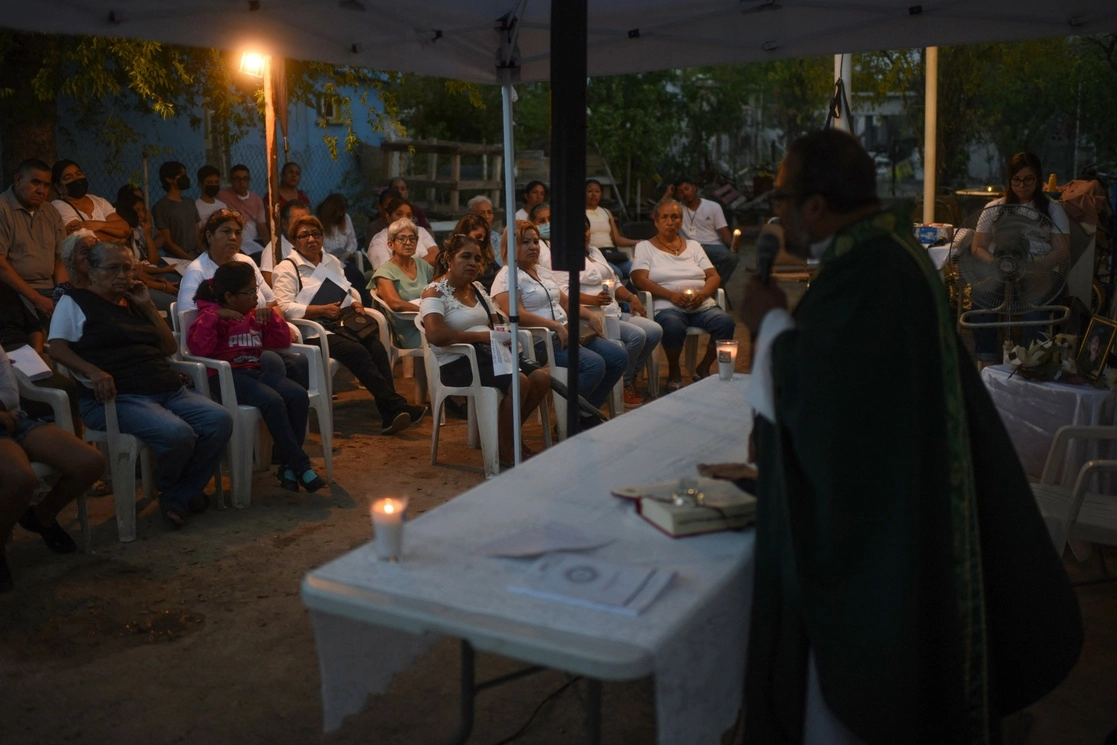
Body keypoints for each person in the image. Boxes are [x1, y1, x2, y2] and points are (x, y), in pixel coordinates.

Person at [739, 129, 1082, 744]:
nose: (777, 215)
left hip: (881, 538)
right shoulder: (888, 255)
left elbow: (821, 410)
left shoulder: (866, 277)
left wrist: (769, 327)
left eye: (782, 199)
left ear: (815, 204)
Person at [48, 242, 233, 527]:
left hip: (168, 389)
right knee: (177, 434)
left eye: (127, 268)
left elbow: (169, 347)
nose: (122, 275)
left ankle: (177, 493)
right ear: (92, 271)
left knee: (219, 420)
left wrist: (147, 306)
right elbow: (57, 348)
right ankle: (180, 492)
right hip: (118, 398)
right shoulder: (75, 301)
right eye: (113, 268)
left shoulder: (134, 301)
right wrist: (93, 371)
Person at [272, 214, 427, 435]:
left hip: (341, 323)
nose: (311, 239)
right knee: (357, 351)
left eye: (316, 234)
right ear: (294, 241)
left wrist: (354, 302)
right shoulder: (287, 268)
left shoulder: (331, 261)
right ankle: (395, 407)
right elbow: (284, 307)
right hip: (312, 330)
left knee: (376, 348)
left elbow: (344, 289)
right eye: (304, 235)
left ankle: (391, 412)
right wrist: (319, 310)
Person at [187, 262, 325, 493]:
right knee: (272, 400)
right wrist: (214, 317)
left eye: (256, 290)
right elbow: (200, 349)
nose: (256, 297)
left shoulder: (252, 316)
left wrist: (272, 319)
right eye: (250, 292)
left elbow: (282, 342)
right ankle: (300, 466)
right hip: (225, 378)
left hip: (253, 372)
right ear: (229, 296)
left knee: (298, 395)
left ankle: (288, 466)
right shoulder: (208, 317)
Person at [420, 234, 551, 468]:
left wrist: (503, 334)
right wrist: (481, 337)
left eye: (477, 259)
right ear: (449, 258)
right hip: (459, 361)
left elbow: (495, 322)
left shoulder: (477, 288)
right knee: (519, 381)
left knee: (541, 378)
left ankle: (505, 436)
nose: (472, 263)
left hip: (489, 354)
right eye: (466, 257)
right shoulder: (435, 292)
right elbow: (435, 335)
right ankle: (508, 447)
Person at [491, 220, 625, 428]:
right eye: (525, 242)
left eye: (536, 241)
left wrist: (589, 316)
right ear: (510, 245)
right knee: (594, 365)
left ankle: (583, 413)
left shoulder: (542, 272)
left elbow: (565, 302)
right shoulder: (507, 276)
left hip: (567, 333)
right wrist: (554, 326)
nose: (533, 247)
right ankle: (569, 419)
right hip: (539, 342)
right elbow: (516, 314)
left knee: (618, 357)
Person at [0, 346, 105, 592]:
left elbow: (10, 394)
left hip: (14, 418)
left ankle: (41, 515)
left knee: (90, 463)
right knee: (19, 479)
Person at [177, 210, 307, 388]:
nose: (233, 237)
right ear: (209, 236)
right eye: (226, 231)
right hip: (228, 354)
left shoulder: (246, 262)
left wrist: (277, 327)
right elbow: (188, 325)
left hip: (259, 341)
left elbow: (272, 303)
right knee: (273, 362)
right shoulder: (197, 271)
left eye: (238, 232)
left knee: (302, 362)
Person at [970, 151, 1072, 362]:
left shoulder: (1053, 209)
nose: (1022, 185)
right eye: (1016, 180)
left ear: (1038, 180)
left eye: (1028, 180)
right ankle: (986, 362)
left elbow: (1062, 250)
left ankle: (1028, 364)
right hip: (1001, 273)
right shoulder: (994, 209)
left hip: (1039, 275)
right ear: (1009, 180)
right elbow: (977, 247)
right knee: (982, 298)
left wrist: (1035, 268)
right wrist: (996, 263)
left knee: (1036, 312)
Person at [630, 198, 735, 392]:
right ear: (656, 221)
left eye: (675, 217)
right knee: (673, 326)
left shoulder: (694, 246)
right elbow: (638, 279)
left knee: (726, 323)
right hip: (667, 306)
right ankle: (674, 370)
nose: (670, 222)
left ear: (681, 221)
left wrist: (702, 294)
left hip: (701, 304)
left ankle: (704, 367)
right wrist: (671, 295)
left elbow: (713, 276)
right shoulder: (645, 247)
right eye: (665, 217)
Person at [556, 217, 661, 408]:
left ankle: (627, 376)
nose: (583, 234)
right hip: (590, 316)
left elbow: (615, 281)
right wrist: (593, 300)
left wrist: (630, 297)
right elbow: (563, 293)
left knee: (654, 330)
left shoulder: (595, 252)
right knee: (637, 336)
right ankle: (623, 384)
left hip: (613, 311)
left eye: (586, 229)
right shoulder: (563, 258)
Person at [0, 158, 68, 322]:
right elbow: (1, 265)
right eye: (35, 182)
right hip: (13, 292)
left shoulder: (50, 211)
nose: (41, 190)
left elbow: (60, 260)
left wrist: (61, 296)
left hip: (50, 289)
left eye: (46, 185)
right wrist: (37, 299)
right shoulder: (3, 209)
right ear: (18, 179)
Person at [371, 217, 433, 349]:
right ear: (390, 244)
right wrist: (426, 310)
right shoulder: (384, 272)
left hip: (430, 323)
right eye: (401, 238)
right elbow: (395, 304)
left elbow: (438, 288)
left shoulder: (422, 265)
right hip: (411, 330)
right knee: (449, 338)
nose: (408, 242)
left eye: (412, 238)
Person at [672, 176, 737, 289]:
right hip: (690, 247)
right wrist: (667, 194)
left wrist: (732, 245)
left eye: (687, 189)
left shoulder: (713, 206)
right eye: (680, 192)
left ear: (694, 188)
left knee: (732, 258)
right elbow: (654, 216)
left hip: (713, 245)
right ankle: (710, 288)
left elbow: (723, 230)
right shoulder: (676, 209)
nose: (685, 193)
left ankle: (715, 287)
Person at [49, 159, 131, 242]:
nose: (76, 179)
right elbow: (80, 237)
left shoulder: (99, 201)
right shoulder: (59, 206)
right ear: (58, 187)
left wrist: (98, 225)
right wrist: (116, 238)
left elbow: (124, 229)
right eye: (68, 178)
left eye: (79, 174)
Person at [317, 193, 370, 305]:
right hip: (326, 263)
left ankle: (365, 305)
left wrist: (347, 254)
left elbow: (352, 241)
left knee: (357, 276)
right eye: (339, 212)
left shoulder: (346, 218)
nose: (341, 215)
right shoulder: (319, 222)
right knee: (347, 277)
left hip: (343, 260)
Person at [366, 197, 438, 270]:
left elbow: (435, 255)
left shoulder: (420, 231)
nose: (404, 218)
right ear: (388, 216)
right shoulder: (378, 240)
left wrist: (413, 266)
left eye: (409, 215)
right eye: (399, 214)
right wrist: (412, 269)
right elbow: (385, 270)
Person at [585, 178, 638, 277]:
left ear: (601, 194)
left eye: (597, 191)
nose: (594, 194)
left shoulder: (606, 212)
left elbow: (617, 239)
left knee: (637, 272)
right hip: (596, 255)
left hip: (612, 254)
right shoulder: (581, 213)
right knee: (617, 273)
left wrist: (637, 242)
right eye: (590, 191)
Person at [151, 161, 201, 260]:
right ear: (169, 179)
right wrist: (189, 259)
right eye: (180, 175)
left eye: (184, 174)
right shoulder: (161, 206)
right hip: (174, 259)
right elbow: (167, 241)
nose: (184, 177)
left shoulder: (190, 202)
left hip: (194, 255)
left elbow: (197, 234)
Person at [218, 164, 270, 250]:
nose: (241, 182)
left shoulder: (256, 199)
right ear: (231, 180)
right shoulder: (222, 196)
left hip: (253, 241)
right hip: (231, 241)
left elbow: (262, 226)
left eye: (245, 179)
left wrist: (269, 247)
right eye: (237, 179)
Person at [260, 199, 311, 285]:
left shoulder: (314, 243)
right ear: (284, 224)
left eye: (307, 220)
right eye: (298, 221)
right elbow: (268, 284)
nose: (303, 225)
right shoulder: (274, 248)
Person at [448, 212, 499, 290]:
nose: (481, 241)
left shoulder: (486, 254)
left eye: (484, 239)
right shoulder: (452, 255)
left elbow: (499, 272)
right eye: (478, 237)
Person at [467, 194, 503, 265]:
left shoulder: (500, 238)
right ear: (472, 215)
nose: (487, 216)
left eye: (489, 212)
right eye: (481, 213)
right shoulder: (466, 238)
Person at [527, 202, 554, 269]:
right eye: (542, 221)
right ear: (533, 224)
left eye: (550, 219)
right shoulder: (534, 245)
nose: (547, 223)